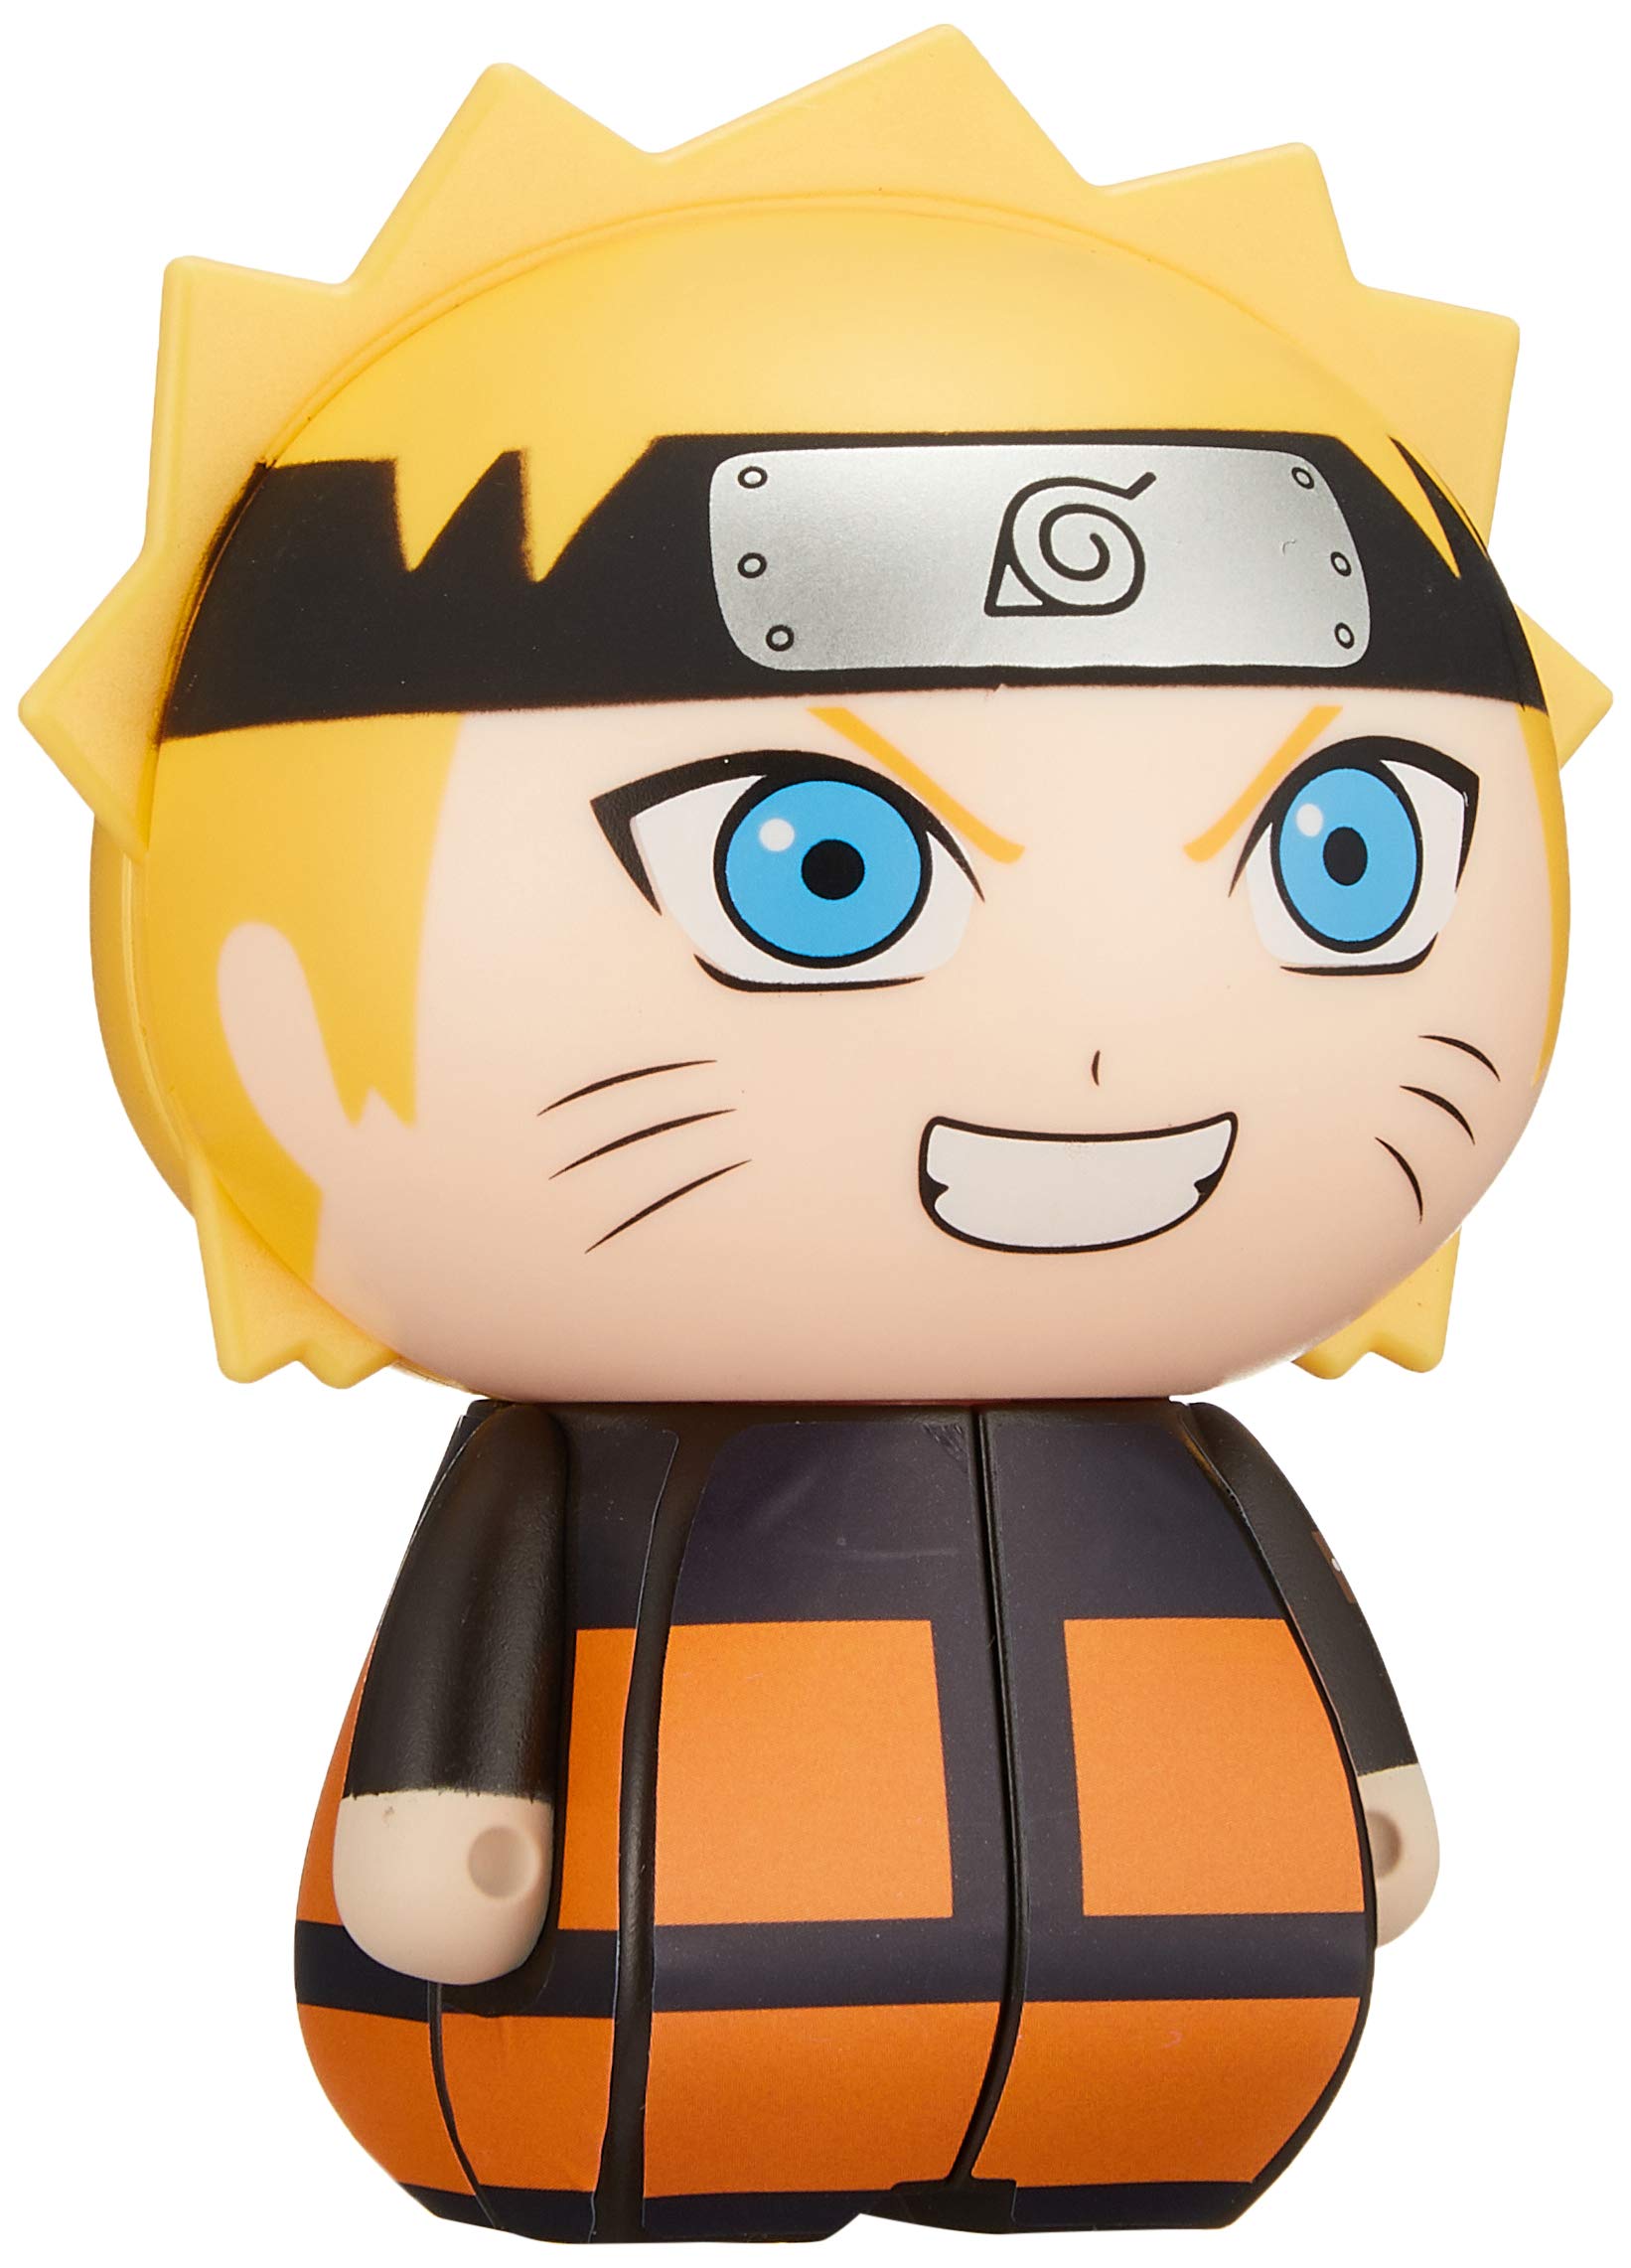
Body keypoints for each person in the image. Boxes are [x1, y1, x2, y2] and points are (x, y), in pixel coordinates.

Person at [21, 28, 1607, 2246]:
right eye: (820, 870)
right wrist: (447, 1804)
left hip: (1176, 2030)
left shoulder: (1190, 1451)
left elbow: (1298, 1635)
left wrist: (1362, 1775)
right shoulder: (564, 1464)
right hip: (638, 2045)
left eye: (1344, 857)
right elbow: (484, 1636)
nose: (1104, 1034)